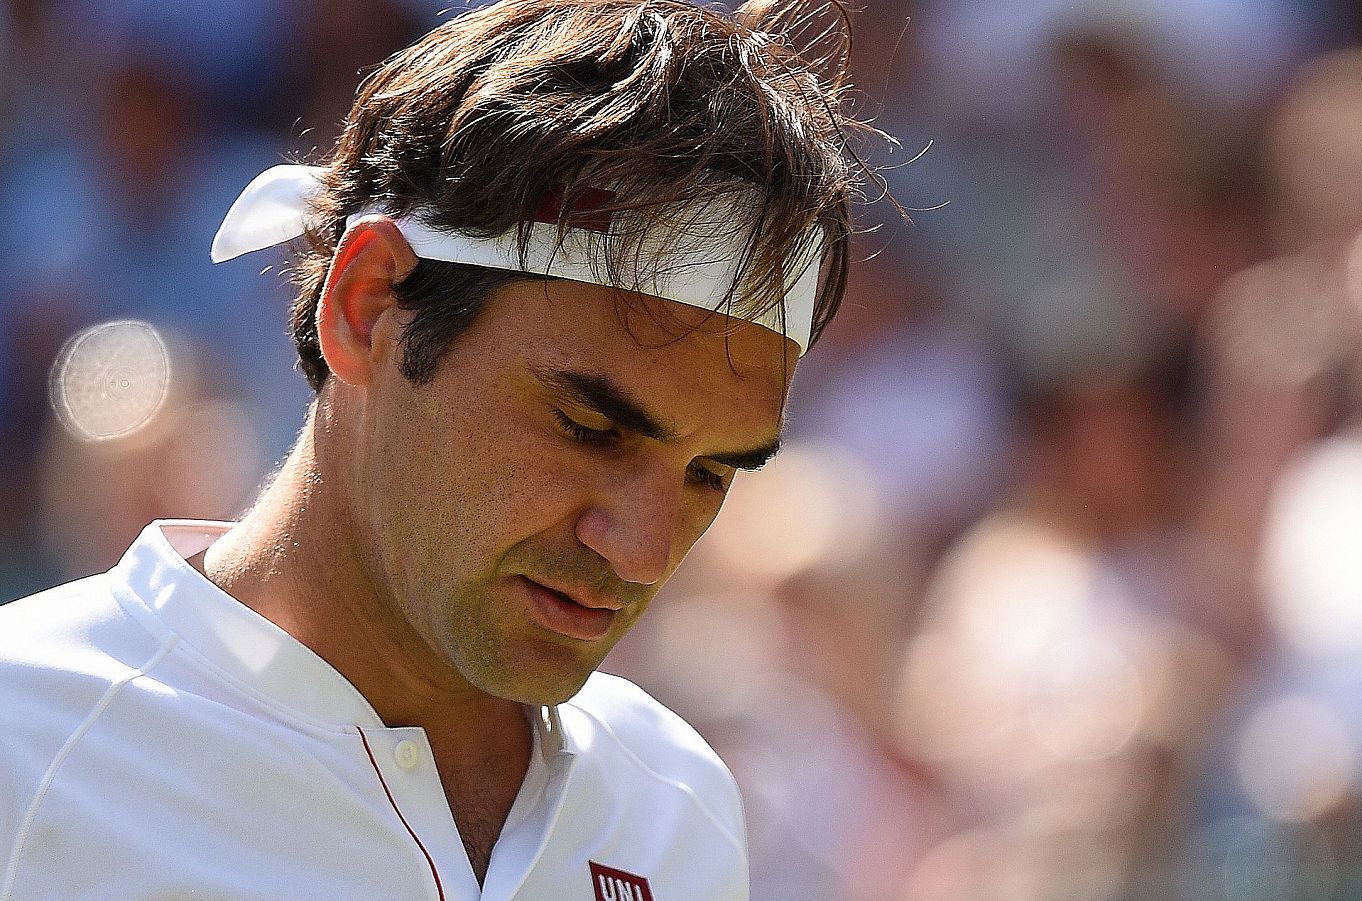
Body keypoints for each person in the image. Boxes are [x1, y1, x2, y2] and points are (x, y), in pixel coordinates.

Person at [0, 1, 878, 897]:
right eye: (589, 427)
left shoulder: (678, 805)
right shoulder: (22, 740)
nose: (644, 549)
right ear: (368, 304)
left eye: (709, 472)